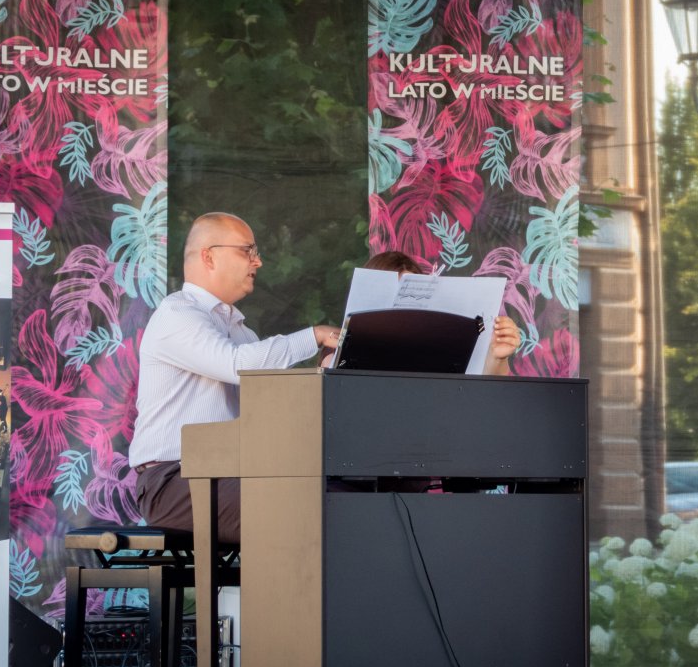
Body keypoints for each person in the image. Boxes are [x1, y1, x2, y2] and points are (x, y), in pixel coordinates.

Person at [128, 213, 341, 544]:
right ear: (209, 256)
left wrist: (324, 369)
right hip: (172, 481)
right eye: (247, 250)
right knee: (299, 502)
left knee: (330, 493)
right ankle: (276, 595)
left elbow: (271, 405)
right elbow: (237, 364)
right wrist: (313, 335)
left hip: (228, 476)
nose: (258, 260)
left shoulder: (241, 331)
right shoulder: (176, 314)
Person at [360, 250, 521, 375]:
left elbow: (478, 391)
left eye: (412, 296)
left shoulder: (435, 347)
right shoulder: (342, 363)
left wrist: (498, 357)